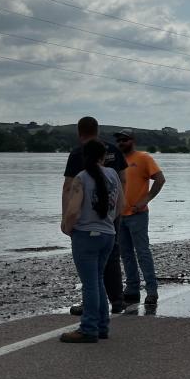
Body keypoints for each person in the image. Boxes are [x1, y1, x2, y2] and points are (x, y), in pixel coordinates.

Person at [63, 117, 127, 316]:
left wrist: (66, 221)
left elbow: (68, 188)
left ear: (79, 132)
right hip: (110, 218)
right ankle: (116, 300)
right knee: (111, 258)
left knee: (90, 276)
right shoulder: (114, 152)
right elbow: (124, 181)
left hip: (86, 224)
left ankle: (89, 317)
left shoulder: (77, 155)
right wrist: (111, 214)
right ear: (97, 130)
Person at [60, 140, 122, 342]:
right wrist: (107, 222)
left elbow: (74, 209)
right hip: (108, 234)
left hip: (86, 234)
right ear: (103, 156)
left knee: (89, 284)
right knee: (97, 281)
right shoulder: (113, 175)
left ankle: (88, 328)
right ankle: (102, 326)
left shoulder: (82, 178)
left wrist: (67, 227)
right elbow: (121, 204)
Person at [114, 129, 165, 307]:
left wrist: (145, 200)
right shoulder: (116, 160)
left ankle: (152, 291)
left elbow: (160, 179)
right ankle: (132, 289)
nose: (121, 143)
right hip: (119, 215)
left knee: (143, 253)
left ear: (132, 141)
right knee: (126, 254)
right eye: (119, 140)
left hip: (138, 215)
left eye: (124, 140)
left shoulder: (143, 158)